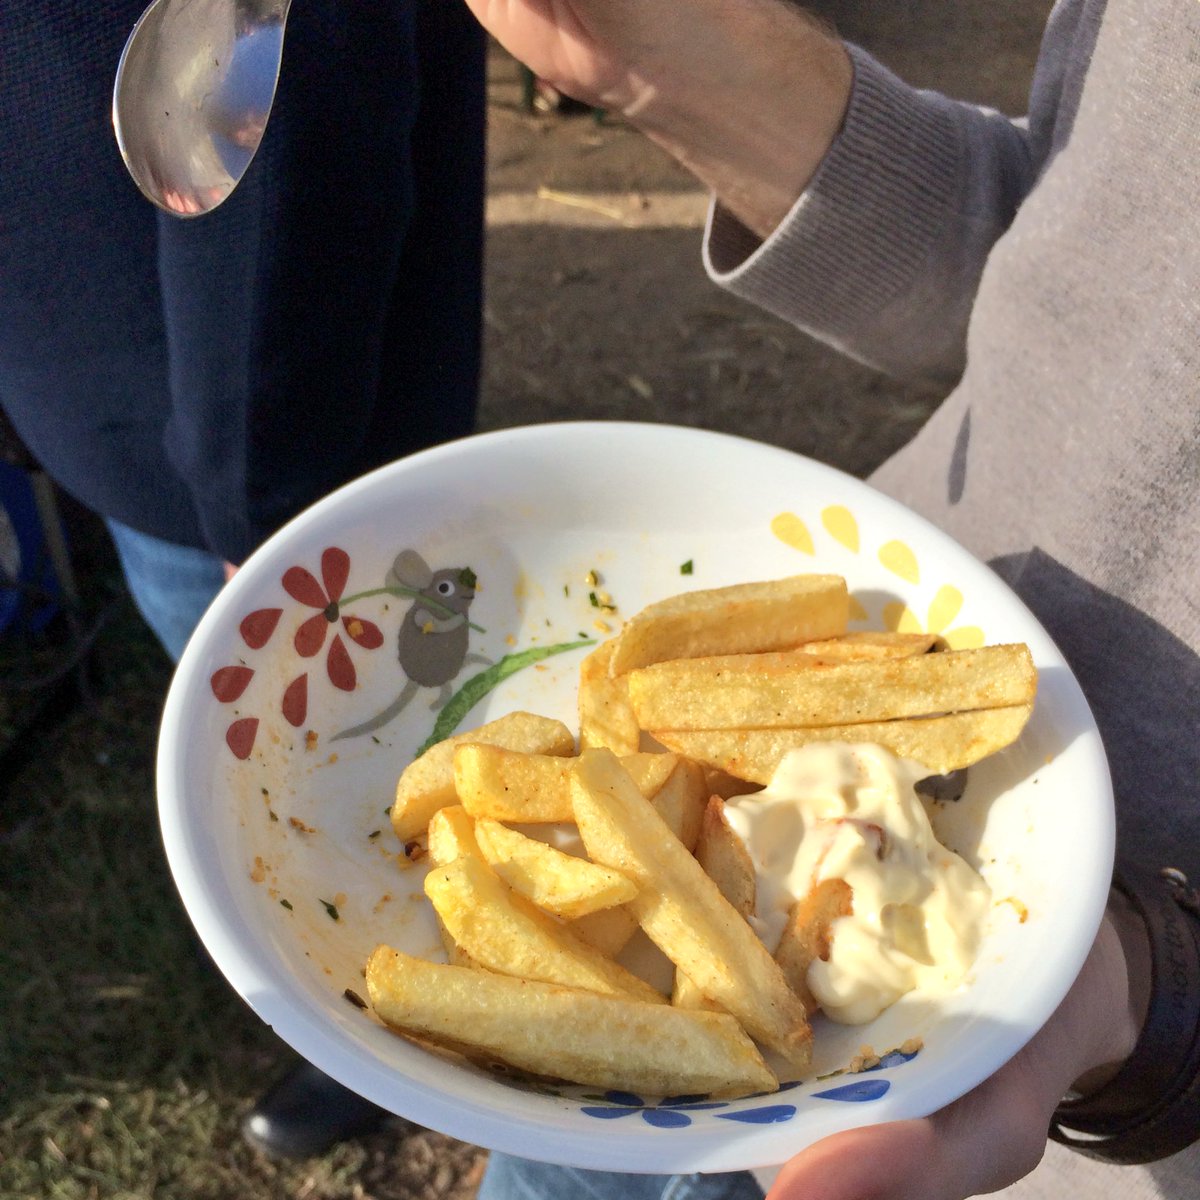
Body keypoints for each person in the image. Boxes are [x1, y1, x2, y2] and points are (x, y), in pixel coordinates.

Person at [459, 0, 1200, 1198]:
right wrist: (677, 63)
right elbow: (1068, 275)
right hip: (660, 950)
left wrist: (1144, 992)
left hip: (1006, 1093)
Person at [0, 0, 487, 1158]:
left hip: (241, 462)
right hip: (116, 383)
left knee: (359, 773)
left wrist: (260, 511)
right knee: (321, 769)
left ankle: (422, 1012)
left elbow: (279, 65)